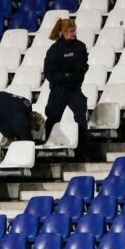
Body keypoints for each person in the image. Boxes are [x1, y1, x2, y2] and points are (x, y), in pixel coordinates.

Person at [43, 18, 89, 160]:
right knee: (53, 117)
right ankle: (46, 147)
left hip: (74, 88)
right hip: (59, 89)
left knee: (81, 117)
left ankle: (83, 151)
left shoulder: (80, 46)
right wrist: (65, 76)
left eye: (74, 30)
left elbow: (83, 66)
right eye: (70, 31)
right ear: (63, 32)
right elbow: (49, 73)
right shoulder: (54, 50)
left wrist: (75, 75)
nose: (73, 34)